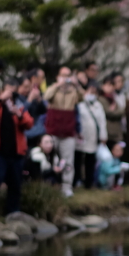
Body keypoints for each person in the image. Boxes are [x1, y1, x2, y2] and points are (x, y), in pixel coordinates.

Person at [0, 80, 34, 213]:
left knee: (15, 184)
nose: (10, 93)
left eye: (12, 89)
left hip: (16, 153)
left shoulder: (19, 106)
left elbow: (29, 124)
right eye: (7, 89)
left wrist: (19, 115)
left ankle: (12, 212)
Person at [43, 66, 84, 197]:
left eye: (68, 75)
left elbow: (83, 98)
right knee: (52, 158)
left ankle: (67, 186)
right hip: (53, 130)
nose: (66, 78)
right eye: (63, 75)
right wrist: (57, 85)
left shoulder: (74, 91)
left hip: (68, 131)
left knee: (68, 160)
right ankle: (50, 184)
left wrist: (77, 85)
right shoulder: (53, 89)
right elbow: (46, 96)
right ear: (58, 76)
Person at [75, 81, 107, 189]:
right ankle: (76, 180)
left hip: (93, 137)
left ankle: (88, 183)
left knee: (90, 160)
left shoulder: (99, 106)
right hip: (80, 136)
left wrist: (103, 136)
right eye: (90, 91)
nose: (92, 94)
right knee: (77, 159)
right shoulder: (80, 104)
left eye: (94, 92)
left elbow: (102, 122)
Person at [99, 75, 124, 144]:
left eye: (111, 85)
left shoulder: (114, 99)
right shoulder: (101, 99)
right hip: (107, 133)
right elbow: (109, 113)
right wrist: (114, 111)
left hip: (116, 132)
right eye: (107, 85)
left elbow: (122, 111)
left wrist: (114, 111)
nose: (109, 87)